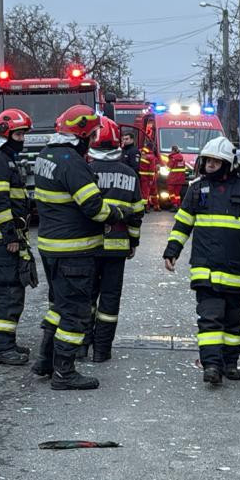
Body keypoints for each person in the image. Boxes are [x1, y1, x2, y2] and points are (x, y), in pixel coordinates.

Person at [163, 136, 240, 385]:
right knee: (209, 318)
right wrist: (172, 250)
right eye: (207, 160)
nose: (210, 165)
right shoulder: (198, 189)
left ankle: (229, 363)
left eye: (216, 161)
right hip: (205, 268)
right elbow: (183, 223)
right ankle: (211, 365)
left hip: (233, 269)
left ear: (229, 164)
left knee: (234, 321)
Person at [29, 104, 110, 389]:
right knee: (76, 311)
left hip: (52, 247)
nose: (94, 138)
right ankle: (64, 371)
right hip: (74, 250)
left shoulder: (46, 155)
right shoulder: (72, 162)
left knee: (59, 306)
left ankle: (45, 359)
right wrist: (117, 214)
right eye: (92, 133)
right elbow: (94, 208)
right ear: (82, 134)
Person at [0, 108, 34, 366]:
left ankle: (6, 342)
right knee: (7, 292)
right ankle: (1, 348)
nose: (22, 139)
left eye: (23, 134)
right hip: (1, 239)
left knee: (12, 291)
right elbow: (0, 202)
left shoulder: (5, 158)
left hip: (5, 237)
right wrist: (10, 235)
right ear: (5, 134)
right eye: (18, 135)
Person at [88, 117, 144, 362]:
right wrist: (133, 242)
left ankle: (80, 346)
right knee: (110, 299)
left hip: (88, 246)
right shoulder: (130, 174)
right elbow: (137, 213)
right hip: (117, 247)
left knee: (87, 296)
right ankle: (102, 350)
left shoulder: (85, 171)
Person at [138, 140, 158, 210]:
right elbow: (152, 170)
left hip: (142, 176)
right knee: (150, 192)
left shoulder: (141, 153)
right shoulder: (151, 157)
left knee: (144, 192)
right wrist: (151, 179)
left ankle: (148, 205)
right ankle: (148, 206)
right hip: (149, 177)